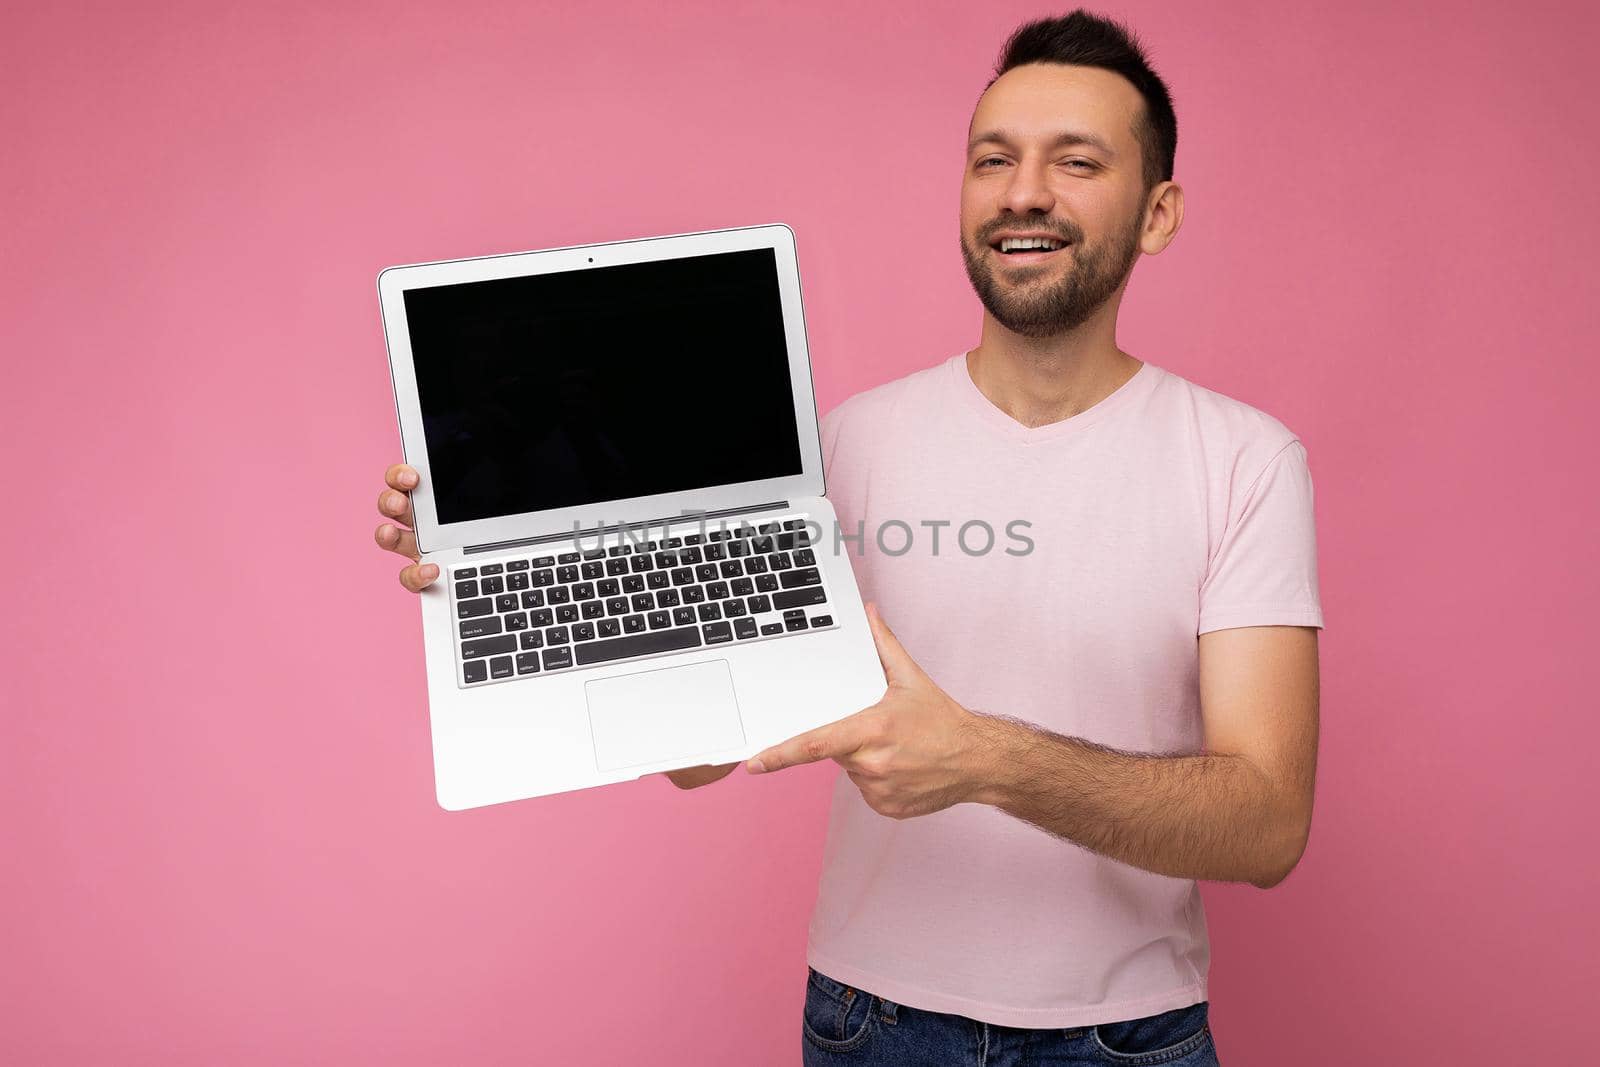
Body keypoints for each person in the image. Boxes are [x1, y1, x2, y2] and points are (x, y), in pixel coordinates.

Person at [373, 10, 1322, 1065]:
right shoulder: (841, 450)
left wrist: (983, 759)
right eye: (991, 159)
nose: (1021, 191)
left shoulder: (1244, 459)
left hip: (1128, 1033)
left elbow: (1266, 821)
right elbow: (700, 759)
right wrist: (521, 549)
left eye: (1077, 161)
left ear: (1157, 213)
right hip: (870, 1024)